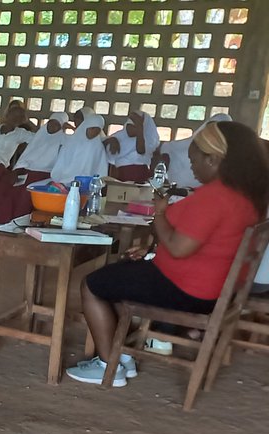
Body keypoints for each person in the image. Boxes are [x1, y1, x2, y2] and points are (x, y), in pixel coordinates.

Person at [69, 121, 269, 388]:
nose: (192, 168)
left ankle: (109, 365)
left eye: (194, 160)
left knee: (93, 284)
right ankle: (120, 354)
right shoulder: (246, 197)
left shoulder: (215, 197)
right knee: (119, 273)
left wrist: (160, 212)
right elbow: (209, 245)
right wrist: (154, 251)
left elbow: (178, 247)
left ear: (213, 159)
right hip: (216, 288)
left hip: (188, 291)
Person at [0, 112, 70, 225]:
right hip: (25, 172)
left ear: (62, 126)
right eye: (50, 123)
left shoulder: (64, 140)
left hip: (45, 176)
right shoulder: (40, 136)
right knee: (0, 189)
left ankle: (15, 225)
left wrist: (69, 129)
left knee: (23, 195)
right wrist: (15, 172)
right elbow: (25, 159)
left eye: (56, 124)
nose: (51, 127)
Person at [156, 114, 232, 189]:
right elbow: (165, 151)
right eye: (192, 161)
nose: (192, 168)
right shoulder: (188, 146)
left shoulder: (228, 155)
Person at [49, 113, 109, 183]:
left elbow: (101, 170)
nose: (94, 132)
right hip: (65, 179)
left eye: (98, 130)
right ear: (85, 127)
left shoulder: (98, 147)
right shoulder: (71, 143)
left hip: (87, 183)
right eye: (92, 128)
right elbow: (61, 164)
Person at [105, 111, 160, 183]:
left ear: (144, 127)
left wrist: (140, 129)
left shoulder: (149, 139)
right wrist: (111, 140)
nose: (130, 130)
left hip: (141, 178)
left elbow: (141, 150)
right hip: (121, 177)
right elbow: (102, 144)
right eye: (128, 126)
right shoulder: (121, 136)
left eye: (135, 126)